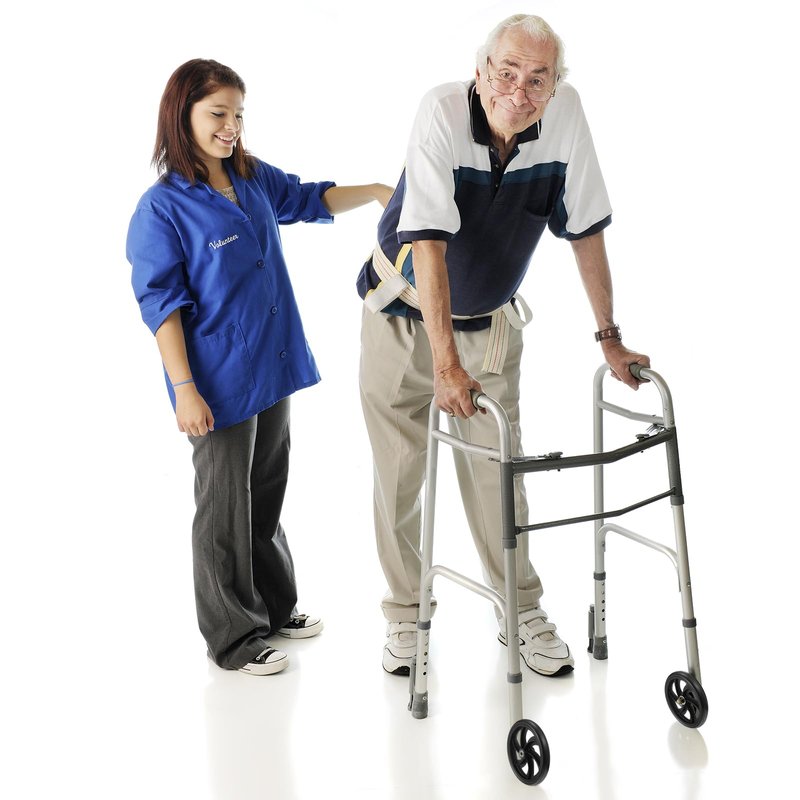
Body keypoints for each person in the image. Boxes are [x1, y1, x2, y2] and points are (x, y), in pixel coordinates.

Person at [357, 14, 650, 677]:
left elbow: (586, 228)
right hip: (401, 316)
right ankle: (406, 616)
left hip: (489, 327)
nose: (519, 92)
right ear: (481, 71)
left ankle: (520, 611)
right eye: (507, 73)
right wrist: (444, 364)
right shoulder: (440, 112)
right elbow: (427, 244)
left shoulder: (565, 117)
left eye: (538, 79)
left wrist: (609, 338)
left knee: (500, 475)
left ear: (555, 85)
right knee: (400, 474)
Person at [127, 59, 391, 676]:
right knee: (223, 508)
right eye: (218, 114)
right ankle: (234, 638)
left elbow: (309, 197)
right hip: (216, 380)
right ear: (182, 115)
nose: (231, 127)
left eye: (238, 115)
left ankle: (273, 608)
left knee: (266, 491)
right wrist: (184, 390)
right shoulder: (161, 209)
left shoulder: (248, 177)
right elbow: (161, 306)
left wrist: (381, 191)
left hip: (272, 363)